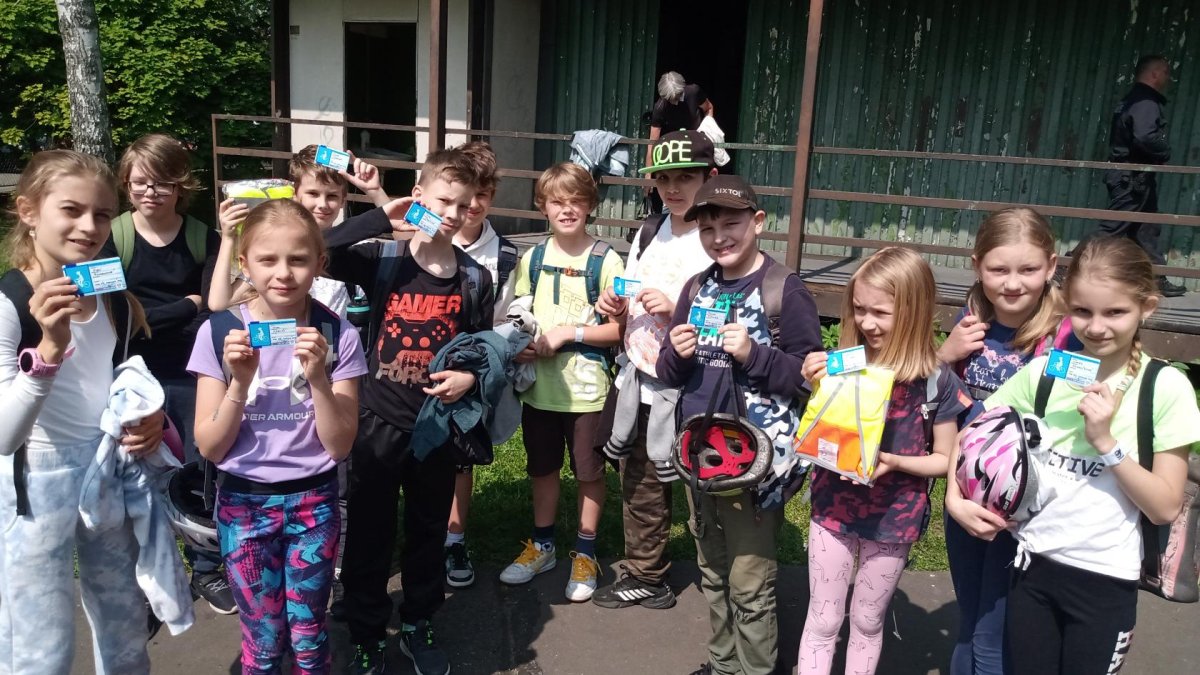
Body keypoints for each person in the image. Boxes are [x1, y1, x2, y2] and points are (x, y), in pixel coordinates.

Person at [983, 237, 1200, 674]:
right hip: (1032, 567)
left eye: (1115, 312)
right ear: (1067, 304)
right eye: (1083, 311)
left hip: (1106, 580)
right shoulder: (1048, 371)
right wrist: (958, 499)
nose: (1097, 327)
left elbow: (1164, 507)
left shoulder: (1164, 387)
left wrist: (1106, 443)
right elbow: (976, 433)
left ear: (1147, 308)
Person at [320, 148, 494, 675]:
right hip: (376, 420)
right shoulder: (383, 258)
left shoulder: (474, 277)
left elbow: (481, 348)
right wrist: (381, 216)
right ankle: (367, 633)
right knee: (369, 535)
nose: (452, 213)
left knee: (427, 532)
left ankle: (419, 621)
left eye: (463, 204)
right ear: (419, 195)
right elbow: (318, 248)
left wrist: (469, 378)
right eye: (442, 200)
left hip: (434, 428)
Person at [0, 150, 166, 673]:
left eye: (101, 214)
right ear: (29, 211)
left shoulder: (110, 292)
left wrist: (152, 418)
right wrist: (48, 349)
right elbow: (4, 437)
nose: (89, 227)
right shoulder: (9, 304)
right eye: (71, 210)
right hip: (34, 481)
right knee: (38, 644)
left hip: (105, 468)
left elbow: (118, 380)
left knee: (125, 629)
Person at [189, 199, 367, 674]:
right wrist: (239, 382)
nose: (283, 273)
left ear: (320, 263)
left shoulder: (338, 335)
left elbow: (340, 445)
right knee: (263, 642)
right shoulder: (220, 332)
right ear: (244, 263)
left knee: (309, 638)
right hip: (243, 504)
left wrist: (319, 378)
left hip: (314, 504)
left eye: (298, 259)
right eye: (267, 259)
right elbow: (210, 445)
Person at [656, 176, 820, 675]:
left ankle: (755, 669)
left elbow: (809, 377)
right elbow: (669, 373)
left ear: (758, 222)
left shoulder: (783, 289)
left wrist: (754, 355)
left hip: (757, 464)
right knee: (712, 570)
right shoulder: (696, 287)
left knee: (750, 583)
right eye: (708, 229)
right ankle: (723, 663)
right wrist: (675, 354)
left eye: (731, 224)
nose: (719, 237)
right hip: (700, 456)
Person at [797, 247, 970, 675]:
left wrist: (894, 461)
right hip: (832, 510)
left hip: (894, 518)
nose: (867, 323)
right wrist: (814, 383)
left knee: (868, 621)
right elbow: (818, 428)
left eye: (881, 312)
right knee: (823, 619)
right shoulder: (844, 364)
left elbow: (945, 459)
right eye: (859, 310)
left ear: (913, 312)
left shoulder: (936, 380)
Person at [938, 207, 1079, 675]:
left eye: (1028, 269)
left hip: (1026, 508)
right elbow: (938, 405)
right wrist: (944, 355)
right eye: (999, 269)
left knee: (994, 634)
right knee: (970, 621)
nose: (1013, 283)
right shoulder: (970, 323)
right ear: (977, 265)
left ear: (1052, 266)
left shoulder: (1067, 337)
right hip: (963, 495)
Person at [98, 133, 233, 614]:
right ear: (126, 184)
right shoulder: (111, 237)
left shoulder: (203, 238)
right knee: (135, 474)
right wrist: (186, 304)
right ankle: (148, 574)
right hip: (130, 375)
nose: (150, 192)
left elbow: (215, 310)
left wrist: (157, 313)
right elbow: (116, 317)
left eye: (162, 183)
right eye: (139, 183)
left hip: (193, 373)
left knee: (200, 469)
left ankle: (206, 567)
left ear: (180, 186)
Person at [591, 130, 719, 611]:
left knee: (705, 489)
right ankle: (647, 575)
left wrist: (677, 309)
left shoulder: (717, 237)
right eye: (664, 179)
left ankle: (724, 579)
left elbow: (731, 313)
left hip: (697, 389)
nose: (673, 188)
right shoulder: (649, 230)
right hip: (641, 380)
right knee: (641, 483)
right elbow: (629, 295)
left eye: (685, 178)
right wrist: (615, 305)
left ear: (710, 177)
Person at [496, 163, 624, 601]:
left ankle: (585, 552)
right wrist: (521, 343)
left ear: (590, 206)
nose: (567, 210)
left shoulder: (606, 259)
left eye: (576, 201)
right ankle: (543, 546)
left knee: (589, 473)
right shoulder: (533, 258)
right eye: (557, 202)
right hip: (540, 389)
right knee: (542, 469)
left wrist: (569, 333)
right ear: (543, 207)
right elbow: (519, 314)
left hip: (588, 391)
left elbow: (619, 330)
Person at [444, 140, 520, 589]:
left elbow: (504, 320)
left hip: (470, 371)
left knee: (461, 460)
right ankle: (418, 536)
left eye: (482, 195)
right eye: (464, 194)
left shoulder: (506, 255)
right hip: (415, 365)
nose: (471, 205)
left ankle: (453, 539)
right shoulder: (423, 238)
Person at [209, 145, 390, 317]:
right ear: (294, 194)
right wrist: (228, 237)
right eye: (313, 194)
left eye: (332, 196)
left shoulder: (357, 246)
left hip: (337, 338)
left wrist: (376, 192)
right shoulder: (277, 248)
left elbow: (407, 241)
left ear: (343, 200)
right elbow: (219, 303)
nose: (322, 204)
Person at [1097, 55, 1184, 297]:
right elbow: (1145, 136)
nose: (1168, 77)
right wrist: (1164, 151)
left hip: (1137, 176)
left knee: (1146, 229)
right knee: (1112, 228)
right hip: (1131, 177)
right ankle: (1067, 266)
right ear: (1154, 74)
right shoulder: (1145, 101)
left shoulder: (1134, 99)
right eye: (1165, 72)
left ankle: (1156, 277)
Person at [645, 72, 714, 170]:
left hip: (696, 144)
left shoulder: (694, 92)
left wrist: (708, 130)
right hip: (673, 149)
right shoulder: (660, 107)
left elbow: (709, 108)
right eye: (670, 99)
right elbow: (652, 143)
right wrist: (648, 174)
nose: (675, 102)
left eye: (677, 96)